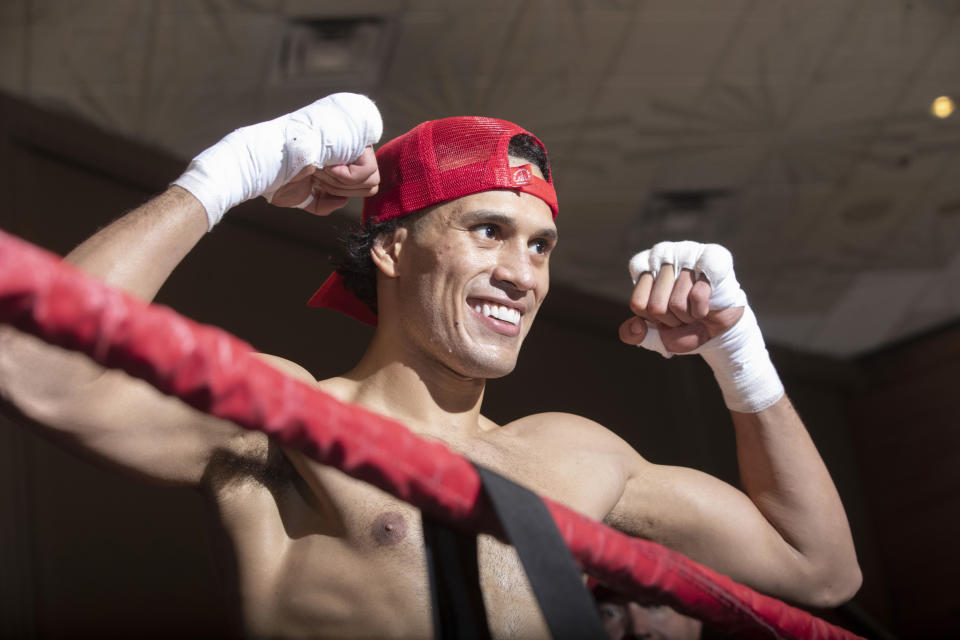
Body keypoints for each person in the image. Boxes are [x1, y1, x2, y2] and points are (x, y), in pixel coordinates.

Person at [0, 93, 861, 638]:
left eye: (541, 246)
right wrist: (229, 174)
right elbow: (31, 363)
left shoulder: (575, 455)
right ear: (392, 248)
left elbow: (819, 570)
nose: (521, 274)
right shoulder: (287, 420)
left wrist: (735, 348)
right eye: (487, 231)